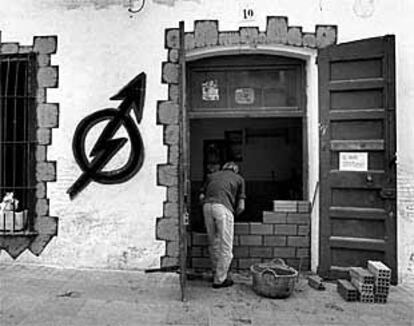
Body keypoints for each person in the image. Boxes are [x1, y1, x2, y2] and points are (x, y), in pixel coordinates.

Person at [199, 161, 246, 288]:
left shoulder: (212, 176)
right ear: (235, 170)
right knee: (226, 246)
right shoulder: (239, 179)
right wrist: (232, 213)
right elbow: (241, 206)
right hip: (223, 208)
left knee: (213, 242)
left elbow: (201, 197)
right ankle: (220, 280)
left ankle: (216, 273)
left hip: (207, 207)